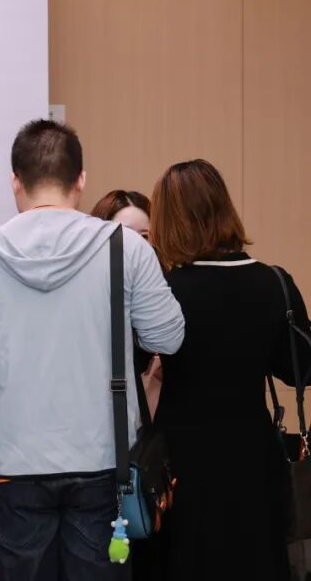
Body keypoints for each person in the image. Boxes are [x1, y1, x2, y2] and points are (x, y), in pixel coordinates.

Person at [0, 119, 185, 581]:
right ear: (81, 180)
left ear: (16, 181)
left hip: (12, 460)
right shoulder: (127, 249)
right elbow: (167, 337)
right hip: (102, 458)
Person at [139, 159, 311, 580]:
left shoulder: (164, 291)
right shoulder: (275, 283)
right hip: (253, 457)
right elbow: (300, 371)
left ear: (169, 221)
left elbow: (136, 364)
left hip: (181, 462)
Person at [92, 189, 162, 414]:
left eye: (144, 237)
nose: (137, 247)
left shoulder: (163, 292)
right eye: (126, 237)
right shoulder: (87, 294)